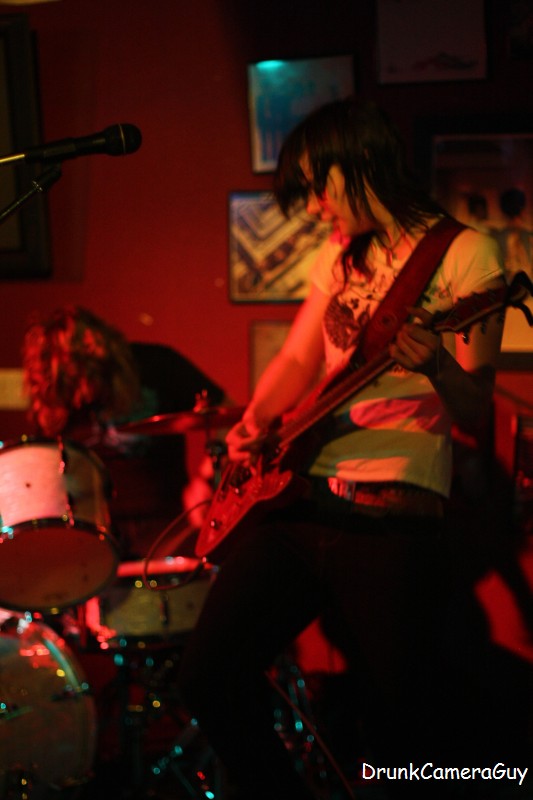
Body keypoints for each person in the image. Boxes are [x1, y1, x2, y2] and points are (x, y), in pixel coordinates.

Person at [178, 98, 509, 800]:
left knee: (401, 734)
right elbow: (300, 359)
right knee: (207, 675)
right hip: (300, 498)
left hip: (389, 516)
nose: (312, 207)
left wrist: (436, 365)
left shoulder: (467, 253)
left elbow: (475, 406)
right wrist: (256, 421)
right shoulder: (340, 254)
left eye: (316, 187)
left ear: (358, 163)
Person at [21, 305, 227, 560]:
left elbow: (228, 416)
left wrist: (206, 478)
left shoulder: (157, 364)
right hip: (92, 534)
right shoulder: (54, 394)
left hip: (167, 526)